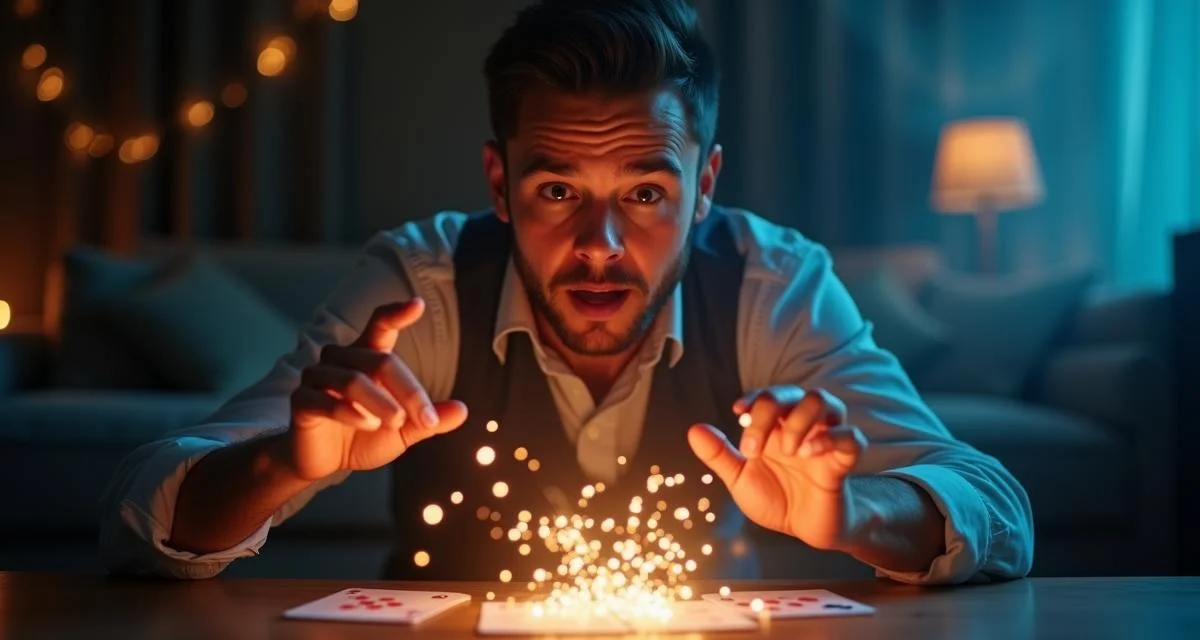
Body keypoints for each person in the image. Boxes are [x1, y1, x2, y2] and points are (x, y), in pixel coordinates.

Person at [99, 0, 1033, 585]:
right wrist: (286, 464)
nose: (601, 244)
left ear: (704, 187)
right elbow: (140, 513)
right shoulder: (419, 288)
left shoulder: (771, 282)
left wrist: (849, 515)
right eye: (557, 192)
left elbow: (995, 505)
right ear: (499, 184)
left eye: (645, 194)